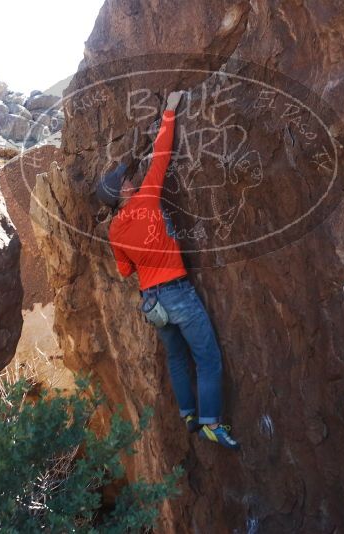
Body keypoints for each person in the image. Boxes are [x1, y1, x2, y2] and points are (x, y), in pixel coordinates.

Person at [95, 90, 239, 450]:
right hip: (177, 294)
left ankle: (188, 413)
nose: (128, 180)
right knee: (208, 359)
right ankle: (211, 423)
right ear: (122, 193)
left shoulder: (114, 230)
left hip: (152, 303)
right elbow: (162, 154)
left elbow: (125, 271)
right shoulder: (146, 197)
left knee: (177, 357)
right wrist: (170, 113)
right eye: (124, 181)